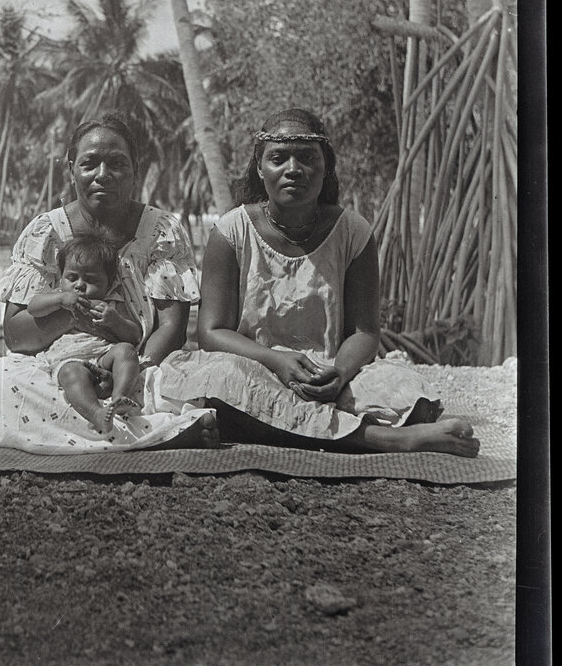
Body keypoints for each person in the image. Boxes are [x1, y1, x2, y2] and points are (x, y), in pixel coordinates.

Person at [160, 108, 480, 457]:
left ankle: (304, 426)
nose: (293, 169)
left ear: (326, 167)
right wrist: (276, 361)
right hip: (255, 367)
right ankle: (385, 439)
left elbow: (365, 332)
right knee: (221, 383)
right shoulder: (231, 231)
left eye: (307, 158)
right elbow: (211, 333)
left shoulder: (352, 232)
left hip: (328, 372)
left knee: (410, 394)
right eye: (278, 159)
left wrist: (339, 372)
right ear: (260, 168)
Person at [0, 113, 218, 453]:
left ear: (135, 170)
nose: (102, 175)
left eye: (117, 164)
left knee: (181, 378)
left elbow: (171, 329)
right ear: (72, 169)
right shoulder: (45, 233)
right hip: (59, 368)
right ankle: (156, 433)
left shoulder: (161, 232)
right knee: (5, 377)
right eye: (89, 164)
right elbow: (16, 336)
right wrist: (71, 314)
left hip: (138, 364)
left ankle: (100, 428)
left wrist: (129, 372)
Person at [27, 234, 144, 434]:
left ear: (109, 283)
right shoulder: (59, 298)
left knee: (126, 351)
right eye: (72, 278)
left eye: (91, 280)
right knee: (72, 374)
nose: (79, 285)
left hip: (104, 357)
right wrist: (60, 300)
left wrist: (116, 321)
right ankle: (96, 414)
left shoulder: (112, 303)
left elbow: (135, 336)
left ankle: (120, 397)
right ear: (61, 277)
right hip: (70, 358)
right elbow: (33, 307)